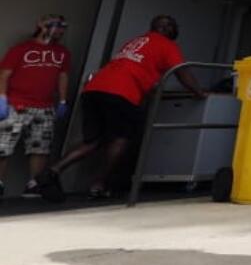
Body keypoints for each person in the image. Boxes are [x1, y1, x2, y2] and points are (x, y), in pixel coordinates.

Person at [35, 15, 206, 202]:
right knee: (121, 139)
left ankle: (51, 171)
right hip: (121, 94)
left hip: (95, 90)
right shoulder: (166, 44)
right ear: (167, 29)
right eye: (173, 26)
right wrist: (199, 93)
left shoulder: (135, 41)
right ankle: (98, 185)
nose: (175, 29)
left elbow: (137, 70)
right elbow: (182, 72)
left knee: (92, 141)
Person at [0, 15, 72, 200]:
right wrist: (2, 98)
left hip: (45, 106)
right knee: (3, 147)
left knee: (40, 147)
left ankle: (34, 185)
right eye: (55, 25)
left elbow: (63, 76)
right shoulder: (21, 49)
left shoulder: (62, 52)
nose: (59, 29)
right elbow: (4, 74)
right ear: (41, 25)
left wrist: (63, 101)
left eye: (63, 26)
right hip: (16, 104)